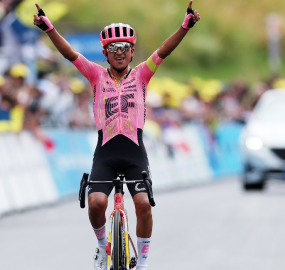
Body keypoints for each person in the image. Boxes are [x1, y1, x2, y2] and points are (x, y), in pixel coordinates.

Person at [33, 2, 200, 269]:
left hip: (135, 153)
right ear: (105, 53)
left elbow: (164, 51)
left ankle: (143, 263)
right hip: (106, 154)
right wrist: (49, 28)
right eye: (113, 48)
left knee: (144, 205)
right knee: (97, 203)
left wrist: (185, 26)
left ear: (132, 51)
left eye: (124, 48)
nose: (119, 52)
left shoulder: (143, 75)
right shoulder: (95, 75)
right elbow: (70, 54)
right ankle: (102, 247)